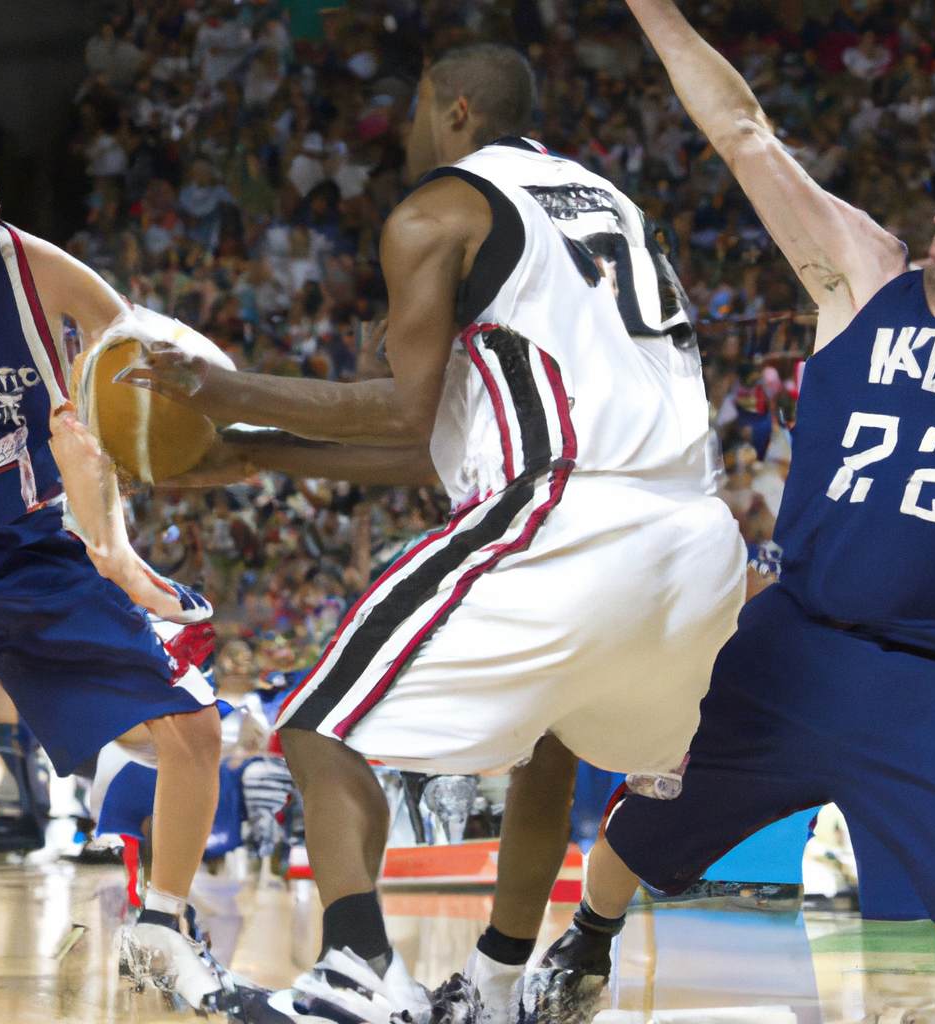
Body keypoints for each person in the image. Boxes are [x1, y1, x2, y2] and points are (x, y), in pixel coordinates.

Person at [123, 43, 745, 1023]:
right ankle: (497, 988)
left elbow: (410, 414)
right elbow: (447, 446)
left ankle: (361, 973)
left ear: (456, 113)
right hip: (698, 545)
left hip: (571, 518)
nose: (405, 131)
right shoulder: (609, 207)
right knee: (551, 739)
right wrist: (259, 452)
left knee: (316, 723)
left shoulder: (439, 209)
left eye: (413, 108)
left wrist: (229, 391)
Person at [529, 0, 935, 1014]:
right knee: (641, 827)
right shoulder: (865, 277)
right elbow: (742, 136)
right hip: (793, 637)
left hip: (929, 676)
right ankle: (584, 944)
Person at [0, 113, 237, 1014]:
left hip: (36, 545)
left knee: (195, 731)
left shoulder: (43, 276)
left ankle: (159, 926)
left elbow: (129, 372)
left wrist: (112, 541)